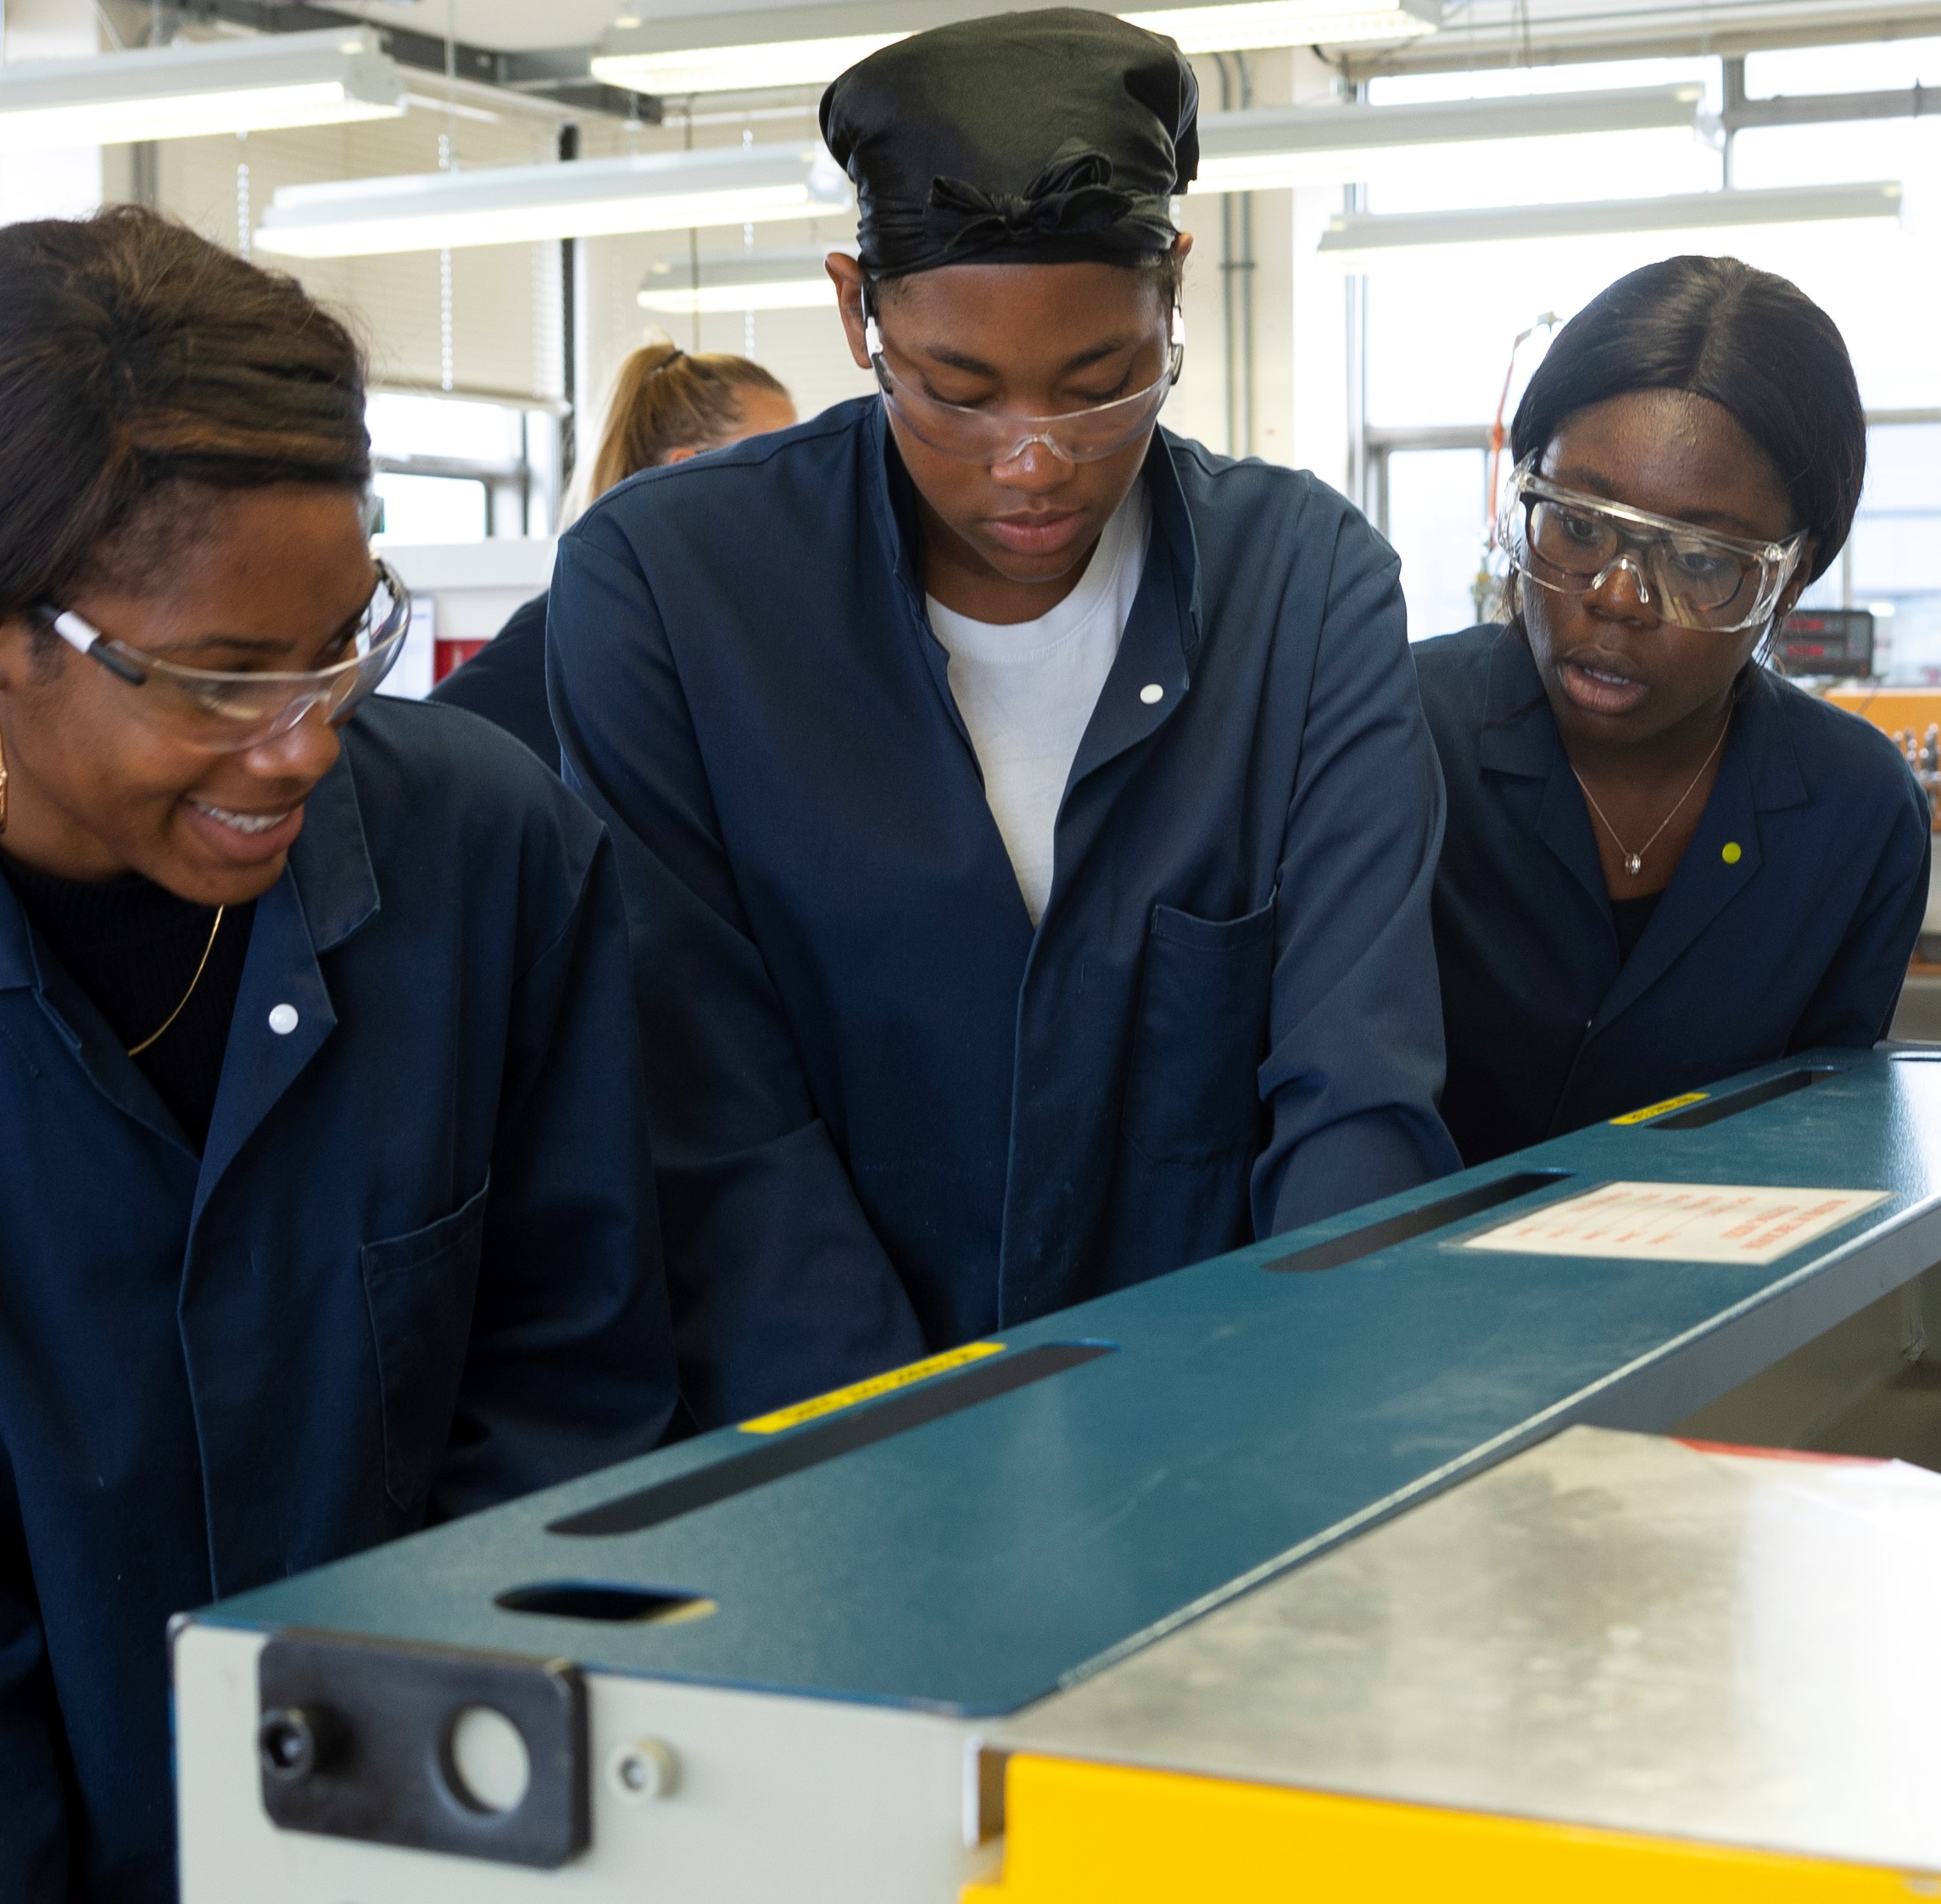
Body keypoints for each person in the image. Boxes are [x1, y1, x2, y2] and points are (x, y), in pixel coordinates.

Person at [0, 209, 677, 1902]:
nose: (305, 739)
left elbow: (571, 1422)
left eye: (344, 639)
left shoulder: (492, 862)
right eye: (219, 681)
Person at [546, 8, 1460, 1427]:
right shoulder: (671, 590)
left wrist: (1322, 1425)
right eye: (955, 396)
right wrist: (909, 1463)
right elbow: (710, 1116)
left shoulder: (1306, 585)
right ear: (858, 311)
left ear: (1175, 290)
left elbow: (1358, 1089)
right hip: (820, 1453)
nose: (1032, 467)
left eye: (1105, 390)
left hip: (1214, 1428)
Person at [1417, 256, 1928, 1166]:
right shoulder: (1391, 735)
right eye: (1577, 525)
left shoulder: (1855, 810)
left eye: (1696, 561)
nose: (1616, 597)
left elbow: (1818, 1151)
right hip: (1387, 1297)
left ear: (1792, 575)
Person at [432, 337, 795, 769]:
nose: (796, 492)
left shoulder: (717, 627)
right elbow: (422, 765)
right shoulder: (577, 622)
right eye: (772, 468)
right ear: (685, 474)